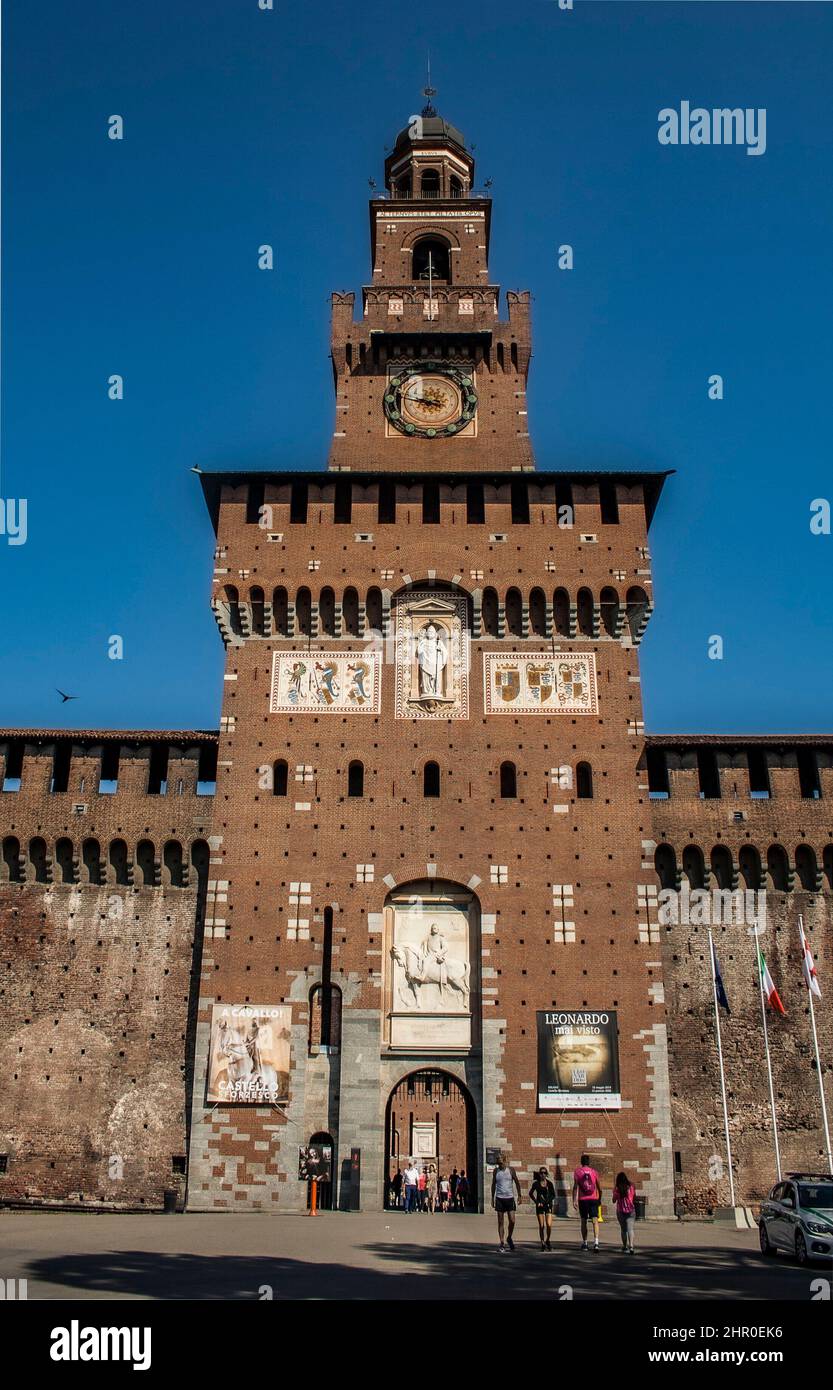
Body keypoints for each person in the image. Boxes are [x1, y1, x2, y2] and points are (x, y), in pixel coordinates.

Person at [491, 1153, 522, 1252]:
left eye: (499, 1159)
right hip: (499, 1198)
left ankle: (509, 1237)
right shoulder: (496, 1171)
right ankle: (502, 1243)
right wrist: (492, 1197)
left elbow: (517, 1182)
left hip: (509, 1198)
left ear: (504, 1160)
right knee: (501, 1222)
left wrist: (520, 1195)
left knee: (512, 1220)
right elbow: (493, 1184)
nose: (497, 1161)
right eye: (497, 1159)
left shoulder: (511, 1170)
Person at [572, 1153, 602, 1251]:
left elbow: (575, 1187)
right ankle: (596, 1242)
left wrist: (574, 1200)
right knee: (595, 1221)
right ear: (589, 1162)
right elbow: (599, 1187)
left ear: (581, 1162)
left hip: (583, 1200)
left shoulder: (577, 1172)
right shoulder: (594, 1172)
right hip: (593, 1199)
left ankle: (585, 1243)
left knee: (584, 1221)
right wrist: (599, 1198)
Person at [529, 1166, 556, 1250]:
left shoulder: (549, 1184)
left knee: (549, 1225)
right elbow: (531, 1193)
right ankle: (542, 1243)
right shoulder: (536, 1184)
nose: (543, 1174)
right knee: (541, 1225)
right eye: (541, 1173)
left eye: (544, 1173)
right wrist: (536, 1202)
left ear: (546, 1174)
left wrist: (547, 1201)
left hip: (548, 1205)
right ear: (539, 1174)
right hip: (540, 1206)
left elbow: (553, 1195)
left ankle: (548, 1240)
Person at [613, 1171, 636, 1253]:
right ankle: (631, 1246)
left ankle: (625, 1246)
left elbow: (613, 1200)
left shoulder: (617, 1188)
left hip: (620, 1210)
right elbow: (634, 1197)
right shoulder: (631, 1186)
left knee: (623, 1230)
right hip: (630, 1210)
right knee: (630, 1229)